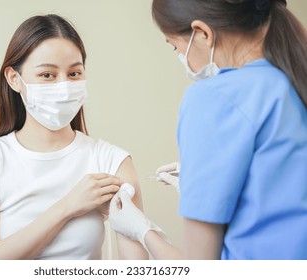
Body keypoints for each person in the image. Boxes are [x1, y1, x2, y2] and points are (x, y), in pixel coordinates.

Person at [110, 0, 307, 259]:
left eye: (174, 46)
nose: (181, 56)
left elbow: (201, 267)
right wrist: (209, 181)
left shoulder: (215, 97)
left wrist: (143, 231)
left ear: (202, 33)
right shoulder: (291, 82)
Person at [0, 14, 148, 260]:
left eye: (74, 73)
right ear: (15, 79)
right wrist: (67, 207)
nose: (64, 86)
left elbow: (136, 270)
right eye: (47, 75)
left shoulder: (112, 162)